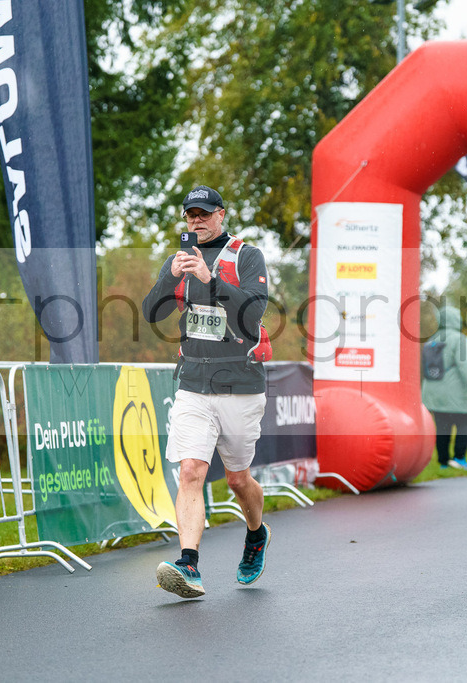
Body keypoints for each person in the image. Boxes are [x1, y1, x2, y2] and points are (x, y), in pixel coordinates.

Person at [142, 185, 271, 599]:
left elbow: (252, 314)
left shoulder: (245, 256)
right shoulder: (177, 260)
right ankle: (189, 564)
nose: (196, 220)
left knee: (237, 479)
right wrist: (171, 275)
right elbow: (152, 313)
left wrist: (210, 279)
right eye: (189, 215)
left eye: (204, 213)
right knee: (191, 471)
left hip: (240, 383)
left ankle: (255, 533)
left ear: (221, 214)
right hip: (194, 382)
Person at [421, 303, 467, 471]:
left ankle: (443, 462)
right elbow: (464, 366)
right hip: (456, 392)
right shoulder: (459, 339)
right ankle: (459, 459)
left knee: (442, 426)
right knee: (465, 423)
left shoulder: (432, 340)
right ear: (456, 320)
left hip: (434, 393)